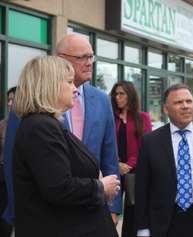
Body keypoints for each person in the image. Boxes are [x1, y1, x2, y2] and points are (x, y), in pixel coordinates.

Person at [2, 34, 121, 228]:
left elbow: (109, 155)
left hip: (89, 214)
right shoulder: (35, 116)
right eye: (82, 57)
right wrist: (18, 212)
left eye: (91, 56)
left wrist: (113, 206)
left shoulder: (101, 99)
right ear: (61, 58)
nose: (89, 63)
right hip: (52, 219)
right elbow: (13, 161)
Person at [135, 84, 193, 237]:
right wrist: (142, 228)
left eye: (189, 101)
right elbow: (142, 188)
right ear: (166, 109)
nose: (185, 106)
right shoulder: (150, 141)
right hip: (163, 223)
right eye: (178, 102)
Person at [110, 81, 152, 237]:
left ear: (130, 95)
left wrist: (129, 164)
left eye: (122, 94)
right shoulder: (111, 117)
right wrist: (116, 164)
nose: (117, 97)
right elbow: (107, 143)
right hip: (113, 170)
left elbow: (145, 144)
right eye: (116, 94)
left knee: (133, 212)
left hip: (135, 172)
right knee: (110, 213)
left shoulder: (143, 118)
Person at [0, 87, 16, 237]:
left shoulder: (27, 125)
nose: (10, 103)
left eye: (13, 99)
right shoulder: (3, 125)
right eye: (9, 100)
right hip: (3, 179)